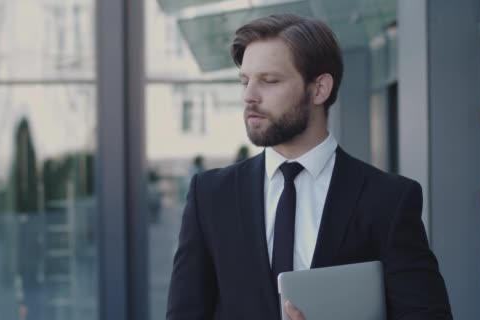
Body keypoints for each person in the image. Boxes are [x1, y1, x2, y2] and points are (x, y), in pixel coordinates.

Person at [166, 14, 452, 320]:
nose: (249, 96)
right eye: (245, 81)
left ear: (319, 89)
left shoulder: (388, 199)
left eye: (269, 80)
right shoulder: (210, 195)